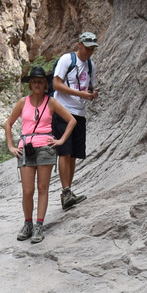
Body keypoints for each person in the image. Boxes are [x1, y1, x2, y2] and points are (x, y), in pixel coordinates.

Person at [4, 66, 75, 244]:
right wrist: (11, 146)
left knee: (43, 189)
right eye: (34, 81)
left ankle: (38, 226)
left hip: (45, 148)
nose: (37, 84)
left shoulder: (50, 102)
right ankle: (27, 223)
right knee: (27, 191)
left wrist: (60, 141)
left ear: (45, 84)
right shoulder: (23, 102)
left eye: (40, 81)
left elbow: (71, 120)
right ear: (30, 84)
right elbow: (8, 124)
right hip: (26, 149)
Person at [51, 31, 98, 209]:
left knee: (73, 155)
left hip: (80, 113)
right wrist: (80, 94)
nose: (89, 52)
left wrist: (92, 94)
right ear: (79, 45)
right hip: (63, 111)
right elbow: (56, 84)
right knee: (65, 151)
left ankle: (68, 192)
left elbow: (90, 86)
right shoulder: (67, 60)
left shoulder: (91, 65)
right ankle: (65, 191)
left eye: (92, 49)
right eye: (87, 48)